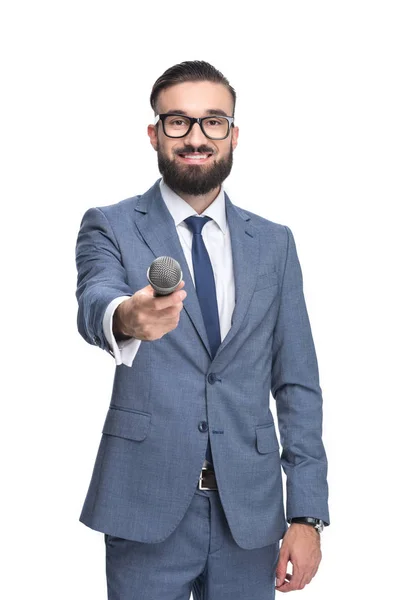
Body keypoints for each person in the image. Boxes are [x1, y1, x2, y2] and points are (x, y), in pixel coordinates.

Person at [75, 59, 330, 600]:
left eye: (213, 122)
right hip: (144, 504)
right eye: (178, 122)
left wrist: (307, 512)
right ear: (154, 133)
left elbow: (297, 384)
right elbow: (95, 298)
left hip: (252, 515)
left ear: (234, 134)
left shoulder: (275, 244)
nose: (196, 137)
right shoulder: (112, 224)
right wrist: (127, 317)